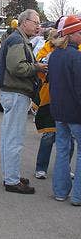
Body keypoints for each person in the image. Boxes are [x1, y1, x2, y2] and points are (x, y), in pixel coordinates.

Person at [0, 9, 48, 194]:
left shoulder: (17, 38)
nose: (38, 26)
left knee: (9, 138)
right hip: (16, 93)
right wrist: (37, 67)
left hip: (13, 93)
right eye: (36, 22)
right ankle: (12, 180)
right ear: (25, 22)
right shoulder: (18, 40)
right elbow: (17, 67)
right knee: (14, 139)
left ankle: (11, 175)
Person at [48, 15, 81, 205]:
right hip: (75, 113)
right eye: (80, 32)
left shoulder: (55, 55)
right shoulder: (76, 57)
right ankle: (78, 196)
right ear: (71, 34)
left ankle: (60, 192)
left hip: (59, 111)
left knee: (62, 150)